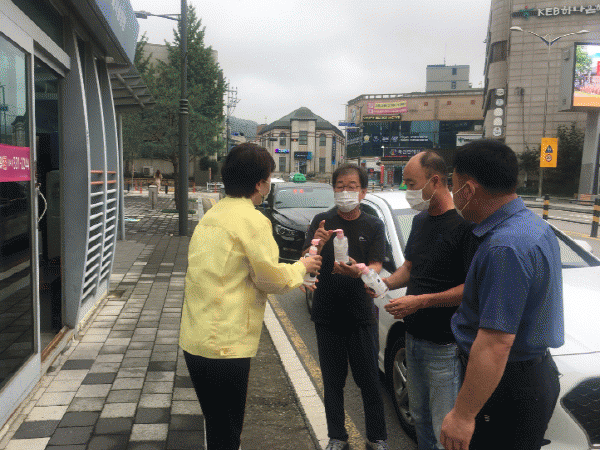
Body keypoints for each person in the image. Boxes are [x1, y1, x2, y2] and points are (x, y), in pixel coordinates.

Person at [179, 143, 322, 450]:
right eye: (268, 178)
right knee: (228, 433)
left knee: (217, 425)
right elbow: (268, 278)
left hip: (196, 338)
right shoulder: (253, 220)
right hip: (226, 344)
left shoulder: (213, 215)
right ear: (259, 183)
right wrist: (302, 267)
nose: (269, 185)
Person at [440, 140, 563, 450]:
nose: (452, 193)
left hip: (505, 386)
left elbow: (495, 343)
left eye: (453, 185)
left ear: (468, 189)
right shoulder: (531, 226)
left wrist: (463, 415)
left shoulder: (504, 247)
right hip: (529, 376)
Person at [380, 151, 478, 450]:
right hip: (413, 338)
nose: (407, 190)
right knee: (420, 417)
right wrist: (382, 283)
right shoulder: (420, 221)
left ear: (435, 181)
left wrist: (420, 302)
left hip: (444, 345)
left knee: (442, 427)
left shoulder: (464, 225)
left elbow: (471, 288)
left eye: (411, 183)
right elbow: (410, 268)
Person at [303, 163, 389, 450]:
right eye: (340, 186)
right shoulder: (322, 221)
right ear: (333, 189)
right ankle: (337, 436)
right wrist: (317, 243)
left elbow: (376, 263)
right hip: (327, 312)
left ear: (363, 192)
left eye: (352, 186)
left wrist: (361, 272)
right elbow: (307, 260)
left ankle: (377, 437)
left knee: (369, 380)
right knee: (332, 380)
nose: (345, 191)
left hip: (361, 313)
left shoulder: (373, 224)